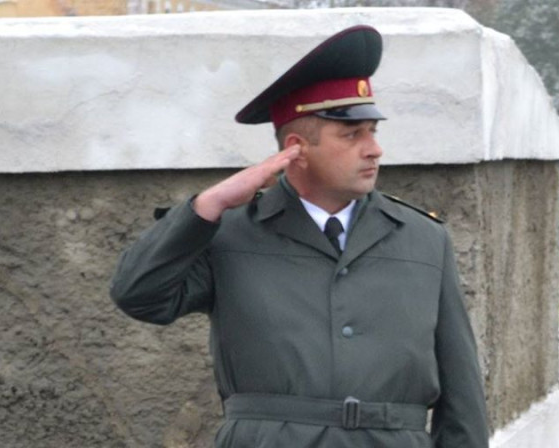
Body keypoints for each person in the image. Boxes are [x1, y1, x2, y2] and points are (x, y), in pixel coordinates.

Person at [110, 25, 489, 447]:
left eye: (373, 132)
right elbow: (137, 295)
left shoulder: (423, 239)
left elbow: (462, 393)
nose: (374, 149)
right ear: (297, 148)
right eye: (352, 134)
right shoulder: (230, 234)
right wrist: (208, 206)